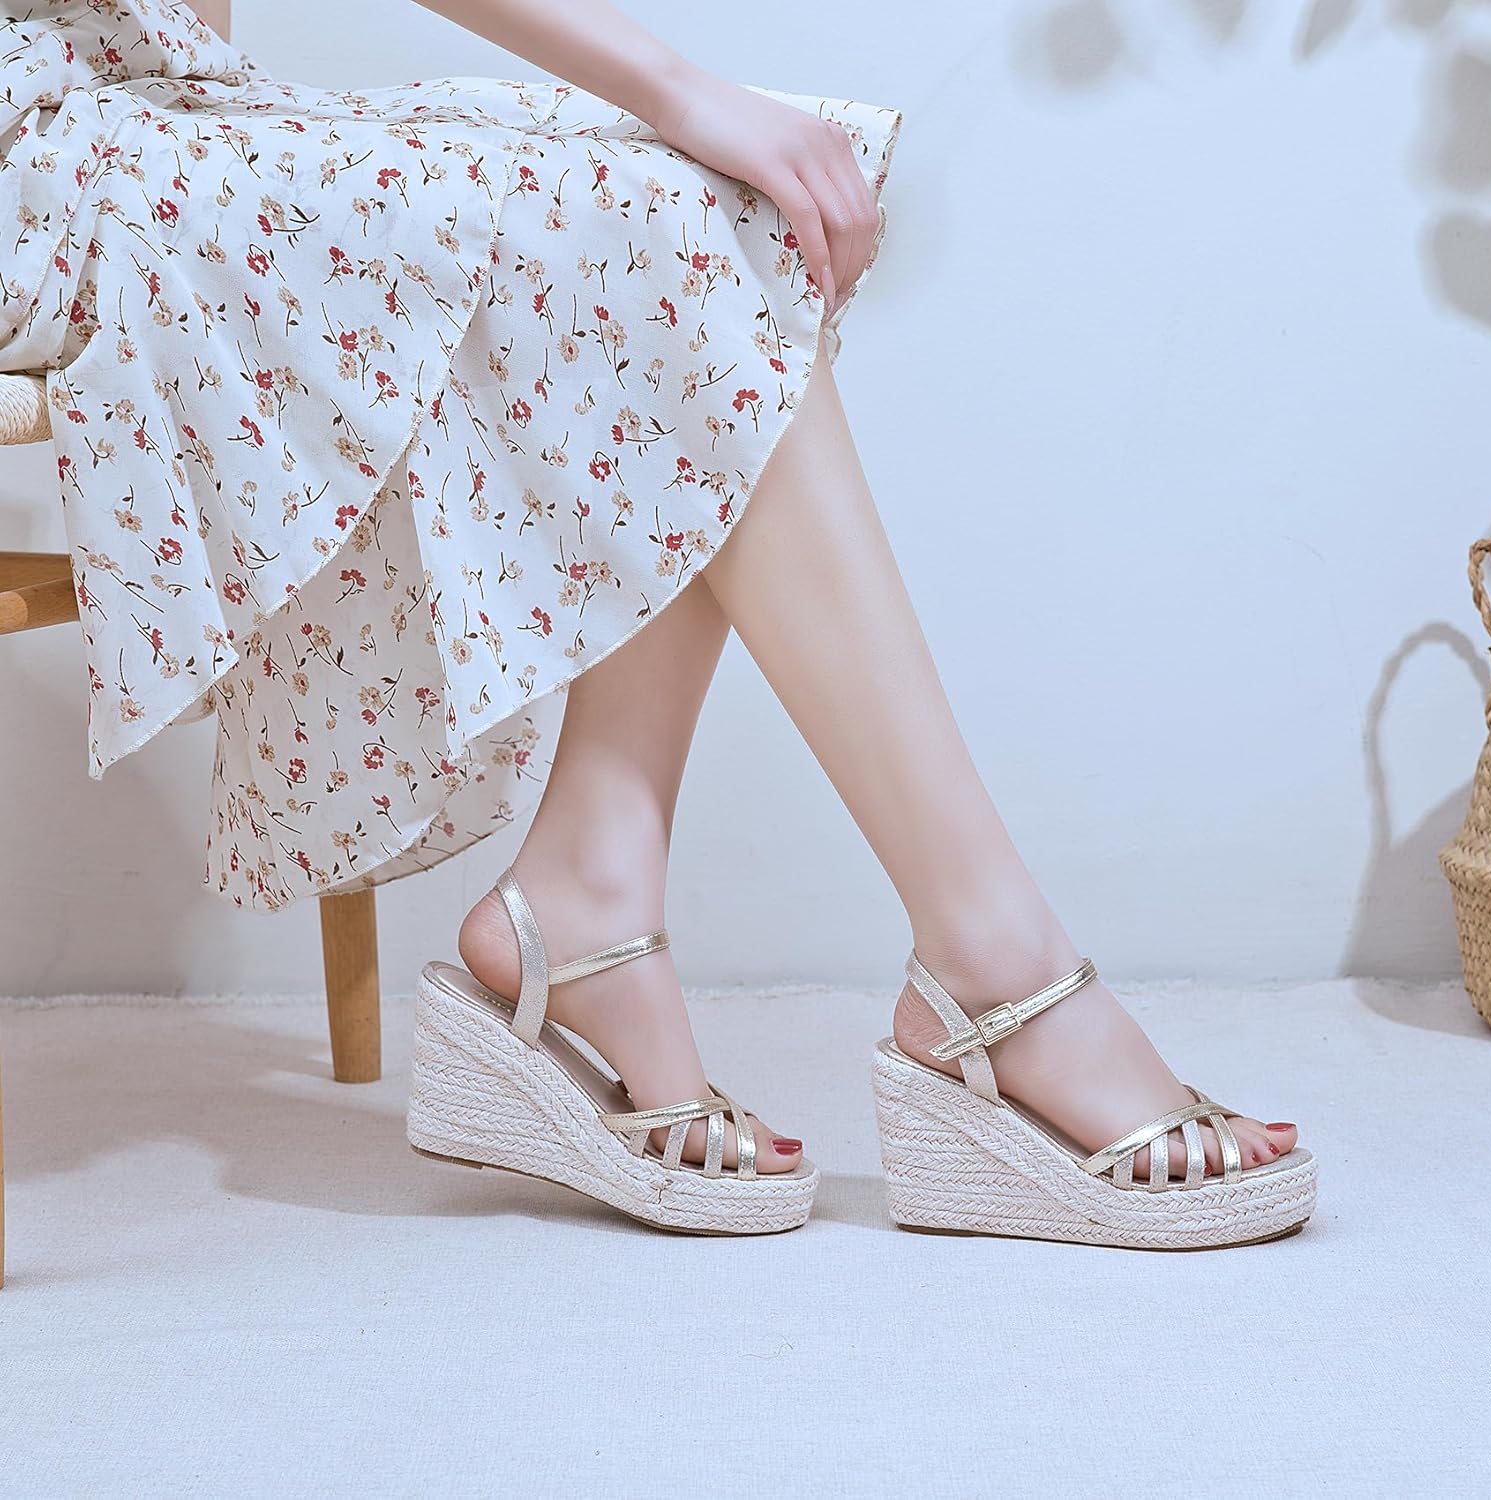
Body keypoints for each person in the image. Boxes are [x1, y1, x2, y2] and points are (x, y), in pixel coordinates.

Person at [1, 0, 1314, 1247]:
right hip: (41, 163)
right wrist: (679, 87)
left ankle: (595, 887)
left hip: (146, 110)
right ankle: (991, 966)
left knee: (695, 208)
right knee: (664, 207)